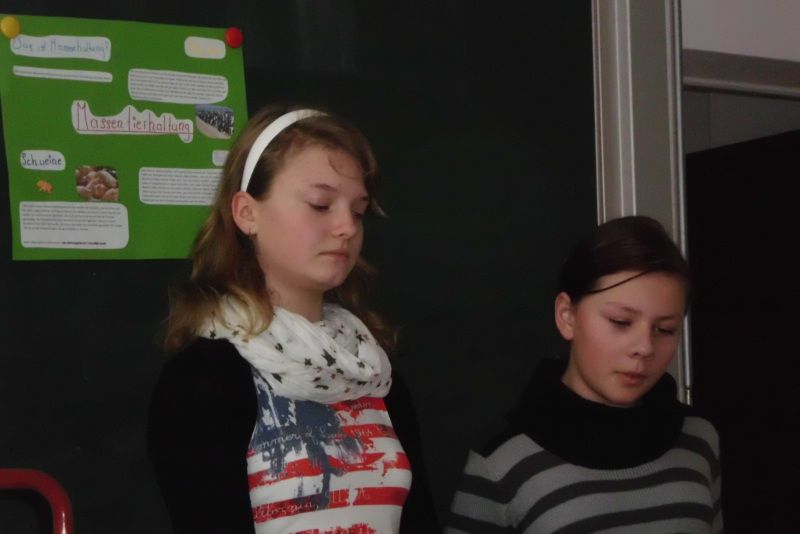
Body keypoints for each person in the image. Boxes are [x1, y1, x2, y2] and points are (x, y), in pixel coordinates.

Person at [147, 105, 435, 533]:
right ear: (247, 213)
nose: (346, 227)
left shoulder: (374, 373)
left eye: (358, 211)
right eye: (320, 204)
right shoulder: (203, 381)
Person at [447, 216, 722, 533]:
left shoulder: (699, 439)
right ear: (567, 316)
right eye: (620, 322)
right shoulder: (501, 462)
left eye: (665, 329)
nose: (645, 347)